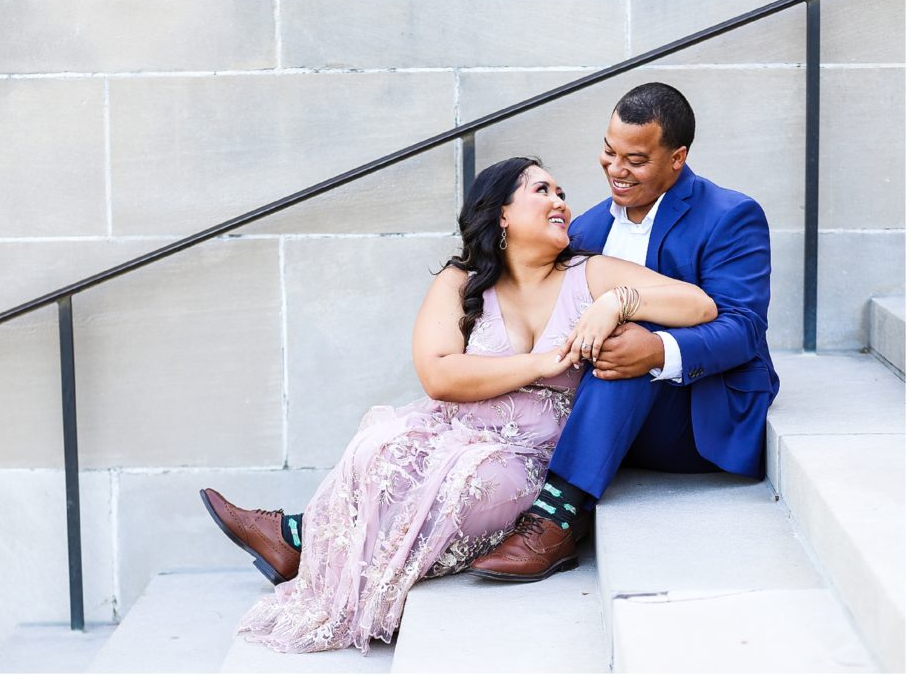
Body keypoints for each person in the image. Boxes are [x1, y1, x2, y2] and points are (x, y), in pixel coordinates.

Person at [200, 155, 718, 653]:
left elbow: (699, 304)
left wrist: (618, 300)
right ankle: (300, 539)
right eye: (542, 190)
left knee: (470, 480)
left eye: (561, 191)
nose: (560, 201)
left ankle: (296, 537)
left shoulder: (592, 273)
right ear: (502, 215)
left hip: (525, 460)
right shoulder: (461, 280)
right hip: (444, 427)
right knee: (377, 449)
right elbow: (439, 374)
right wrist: (540, 365)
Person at [469, 82, 781, 581]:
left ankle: (559, 516)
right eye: (609, 152)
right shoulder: (586, 230)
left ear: (677, 158)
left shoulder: (730, 216)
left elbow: (743, 329)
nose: (616, 169)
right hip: (602, 415)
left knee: (635, 330)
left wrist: (657, 351)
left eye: (635, 160)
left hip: (698, 415)